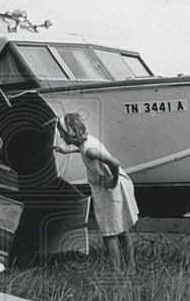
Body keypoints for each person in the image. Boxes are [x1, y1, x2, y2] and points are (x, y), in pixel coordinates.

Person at [54, 113, 138, 270]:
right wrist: (66, 151)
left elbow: (114, 162)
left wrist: (113, 180)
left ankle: (117, 274)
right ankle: (131, 268)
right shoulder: (87, 141)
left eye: (61, 132)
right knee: (121, 229)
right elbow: (85, 149)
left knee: (109, 233)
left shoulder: (88, 150)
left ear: (70, 132)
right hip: (119, 185)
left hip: (111, 188)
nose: (60, 135)